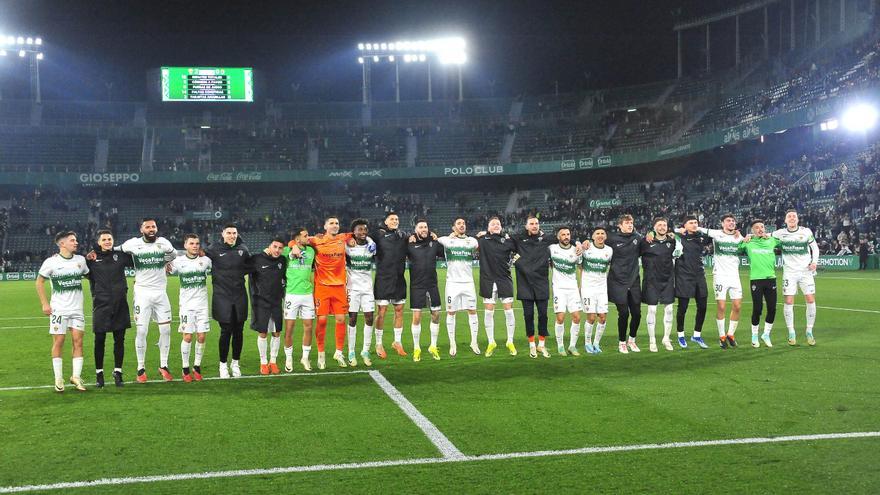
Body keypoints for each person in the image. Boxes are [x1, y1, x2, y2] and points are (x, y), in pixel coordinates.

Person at [289, 216, 352, 369]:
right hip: (322, 287)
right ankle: (321, 354)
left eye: (337, 223)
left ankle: (339, 352)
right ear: (325, 226)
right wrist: (293, 246)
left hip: (339, 287)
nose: (335, 225)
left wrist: (354, 240)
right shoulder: (316, 240)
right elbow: (296, 240)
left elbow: (360, 234)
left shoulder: (343, 238)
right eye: (331, 223)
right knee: (322, 320)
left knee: (341, 319)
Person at [117, 218, 177, 382]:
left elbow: (173, 254)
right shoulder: (132, 243)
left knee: (166, 330)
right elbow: (114, 249)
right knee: (142, 331)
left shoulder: (163, 243)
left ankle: (163, 365)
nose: (151, 229)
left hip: (161, 294)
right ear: (141, 229)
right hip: (142, 294)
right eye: (148, 227)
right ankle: (140, 368)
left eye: (153, 226)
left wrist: (166, 262)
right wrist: (96, 252)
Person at [36, 231, 89, 392]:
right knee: (59, 342)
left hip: (77, 310)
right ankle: (58, 378)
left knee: (78, 342)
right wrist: (45, 304)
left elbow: (91, 275)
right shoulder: (51, 262)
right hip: (58, 310)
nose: (76, 242)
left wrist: (93, 257)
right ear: (62, 244)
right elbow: (39, 282)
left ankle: (76, 377)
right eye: (72, 240)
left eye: (76, 240)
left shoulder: (81, 260)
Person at [86, 229, 133, 387]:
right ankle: (99, 374)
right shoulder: (91, 259)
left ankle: (118, 372)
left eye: (109, 239)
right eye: (104, 239)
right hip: (101, 304)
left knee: (119, 339)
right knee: (99, 339)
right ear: (98, 242)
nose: (107, 242)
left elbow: (140, 261)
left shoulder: (120, 256)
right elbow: (74, 264)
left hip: (120, 303)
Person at [205, 224, 251, 379]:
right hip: (222, 296)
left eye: (234, 233)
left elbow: (252, 265)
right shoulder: (213, 249)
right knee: (226, 331)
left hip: (240, 296)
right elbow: (198, 257)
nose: (232, 236)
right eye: (229, 233)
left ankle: (235, 363)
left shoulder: (243, 249)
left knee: (239, 331)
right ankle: (223, 365)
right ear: (222, 234)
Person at [509, 215, 557, 358]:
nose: (534, 226)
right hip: (525, 284)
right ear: (526, 226)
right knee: (528, 316)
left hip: (541, 283)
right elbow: (503, 242)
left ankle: (541, 345)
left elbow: (563, 238)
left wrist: (578, 242)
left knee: (543, 315)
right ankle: (531, 345)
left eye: (536, 223)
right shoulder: (518, 239)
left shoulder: (545, 239)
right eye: (531, 223)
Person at [694, 214, 743, 348]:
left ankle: (730, 334)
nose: (731, 222)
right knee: (721, 306)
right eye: (728, 221)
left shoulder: (739, 237)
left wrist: (747, 236)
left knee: (737, 306)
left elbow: (750, 240)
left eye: (733, 221)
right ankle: (722, 337)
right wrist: (680, 229)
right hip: (720, 276)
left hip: (735, 276)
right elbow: (698, 228)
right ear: (722, 223)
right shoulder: (716, 234)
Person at [167, 234, 212, 382]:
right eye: (192, 243)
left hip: (202, 305)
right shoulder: (178, 261)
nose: (195, 246)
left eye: (197, 243)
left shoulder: (206, 261)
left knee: (202, 336)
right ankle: (185, 368)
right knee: (187, 336)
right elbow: (165, 269)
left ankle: (197, 367)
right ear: (185, 245)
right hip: (186, 306)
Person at [772, 210, 819, 346]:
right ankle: (791, 332)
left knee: (810, 299)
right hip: (789, 273)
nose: (792, 218)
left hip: (806, 272)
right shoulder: (779, 233)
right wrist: (749, 236)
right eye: (789, 216)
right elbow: (764, 235)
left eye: (794, 216)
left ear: (798, 219)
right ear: (785, 220)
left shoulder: (806, 232)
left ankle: (809, 331)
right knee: (788, 301)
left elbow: (815, 248)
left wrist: (814, 262)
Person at [438, 218, 481, 357]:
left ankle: (474, 342)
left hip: (468, 283)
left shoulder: (472, 241)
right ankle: (452, 343)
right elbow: (430, 239)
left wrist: (484, 233)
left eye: (463, 223)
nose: (462, 225)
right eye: (459, 223)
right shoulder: (446, 240)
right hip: (452, 284)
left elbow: (485, 244)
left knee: (472, 311)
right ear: (453, 227)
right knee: (451, 312)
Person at [475, 217, 517, 356]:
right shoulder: (482, 240)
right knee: (489, 312)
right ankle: (491, 342)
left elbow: (520, 251)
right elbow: (466, 242)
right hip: (488, 280)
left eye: (498, 224)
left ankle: (510, 341)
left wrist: (513, 261)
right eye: (493, 224)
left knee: (509, 311)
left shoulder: (508, 240)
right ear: (488, 228)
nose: (496, 225)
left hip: (504, 279)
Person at [371, 212, 409, 358]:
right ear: (386, 222)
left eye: (397, 219)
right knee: (381, 311)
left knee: (399, 310)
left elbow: (418, 238)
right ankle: (378, 343)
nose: (395, 221)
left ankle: (397, 342)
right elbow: (361, 236)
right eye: (392, 219)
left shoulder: (402, 236)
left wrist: (431, 235)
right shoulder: (378, 234)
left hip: (399, 279)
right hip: (383, 279)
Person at [406, 219, 445, 361]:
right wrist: (408, 237)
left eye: (426, 227)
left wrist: (437, 237)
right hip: (417, 286)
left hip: (432, 285)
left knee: (436, 314)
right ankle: (416, 348)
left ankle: (433, 346)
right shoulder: (409, 244)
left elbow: (446, 251)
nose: (424, 229)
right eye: (421, 227)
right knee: (417, 317)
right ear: (416, 230)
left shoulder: (434, 243)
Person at [605, 214, 643, 354]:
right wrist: (583, 243)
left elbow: (650, 243)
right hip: (617, 281)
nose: (630, 225)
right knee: (624, 313)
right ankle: (622, 342)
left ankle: (631, 340)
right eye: (626, 223)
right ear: (620, 225)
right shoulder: (612, 239)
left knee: (637, 314)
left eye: (631, 222)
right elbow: (597, 243)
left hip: (633, 281)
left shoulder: (638, 238)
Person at [248, 237, 287, 375]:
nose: (277, 250)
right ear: (269, 246)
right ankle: (263, 362)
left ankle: (273, 361)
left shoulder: (283, 260)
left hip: (276, 301)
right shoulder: (257, 259)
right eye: (275, 247)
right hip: (261, 302)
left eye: (280, 248)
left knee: (277, 332)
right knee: (263, 333)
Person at [738, 219, 780, 348]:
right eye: (757, 227)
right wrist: (744, 240)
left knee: (772, 308)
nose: (760, 229)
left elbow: (785, 241)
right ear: (752, 230)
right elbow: (737, 250)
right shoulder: (749, 242)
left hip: (771, 278)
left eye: (762, 227)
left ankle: (766, 334)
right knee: (757, 309)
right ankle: (754, 335)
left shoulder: (772, 240)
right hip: (756, 279)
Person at [642, 218, 681, 352]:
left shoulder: (672, 241)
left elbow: (681, 242)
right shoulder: (646, 241)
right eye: (659, 225)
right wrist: (650, 233)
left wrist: (675, 235)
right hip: (651, 281)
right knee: (652, 310)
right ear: (654, 227)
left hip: (668, 280)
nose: (662, 227)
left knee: (669, 309)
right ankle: (652, 340)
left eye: (664, 225)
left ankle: (666, 338)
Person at [674, 215, 712, 349]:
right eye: (691, 222)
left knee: (702, 307)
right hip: (684, 277)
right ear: (684, 225)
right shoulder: (678, 237)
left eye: (696, 222)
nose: (694, 224)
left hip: (699, 276)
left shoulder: (701, 237)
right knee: (682, 308)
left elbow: (718, 235)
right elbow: (664, 231)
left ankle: (696, 335)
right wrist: (676, 230)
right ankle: (680, 335)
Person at [282, 228, 316, 372]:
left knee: (308, 327)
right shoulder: (285, 251)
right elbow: (273, 251)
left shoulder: (311, 251)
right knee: (289, 328)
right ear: (297, 239)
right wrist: (292, 246)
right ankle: (288, 358)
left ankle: (305, 358)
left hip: (308, 294)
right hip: (292, 294)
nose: (308, 237)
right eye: (305, 236)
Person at [346, 219, 377, 366]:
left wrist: (371, 241)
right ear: (354, 232)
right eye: (360, 229)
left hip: (367, 289)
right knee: (352, 319)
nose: (363, 232)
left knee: (369, 318)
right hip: (352, 289)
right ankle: (351, 351)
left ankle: (365, 351)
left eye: (365, 229)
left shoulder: (371, 247)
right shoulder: (348, 247)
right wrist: (348, 238)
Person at [549, 227, 583, 357]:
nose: (566, 236)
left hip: (573, 288)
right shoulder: (552, 249)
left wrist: (581, 285)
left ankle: (572, 346)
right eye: (563, 234)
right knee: (560, 317)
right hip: (559, 289)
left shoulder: (576, 250)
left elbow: (580, 267)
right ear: (558, 237)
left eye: (568, 234)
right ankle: (560, 346)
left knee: (577, 317)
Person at [580, 227, 612, 354]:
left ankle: (596, 343)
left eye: (602, 233)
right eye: (597, 233)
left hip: (602, 289)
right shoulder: (586, 248)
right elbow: (580, 266)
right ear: (593, 237)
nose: (600, 235)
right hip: (588, 288)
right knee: (592, 317)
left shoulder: (609, 250)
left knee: (603, 318)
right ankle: (587, 342)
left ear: (606, 236)